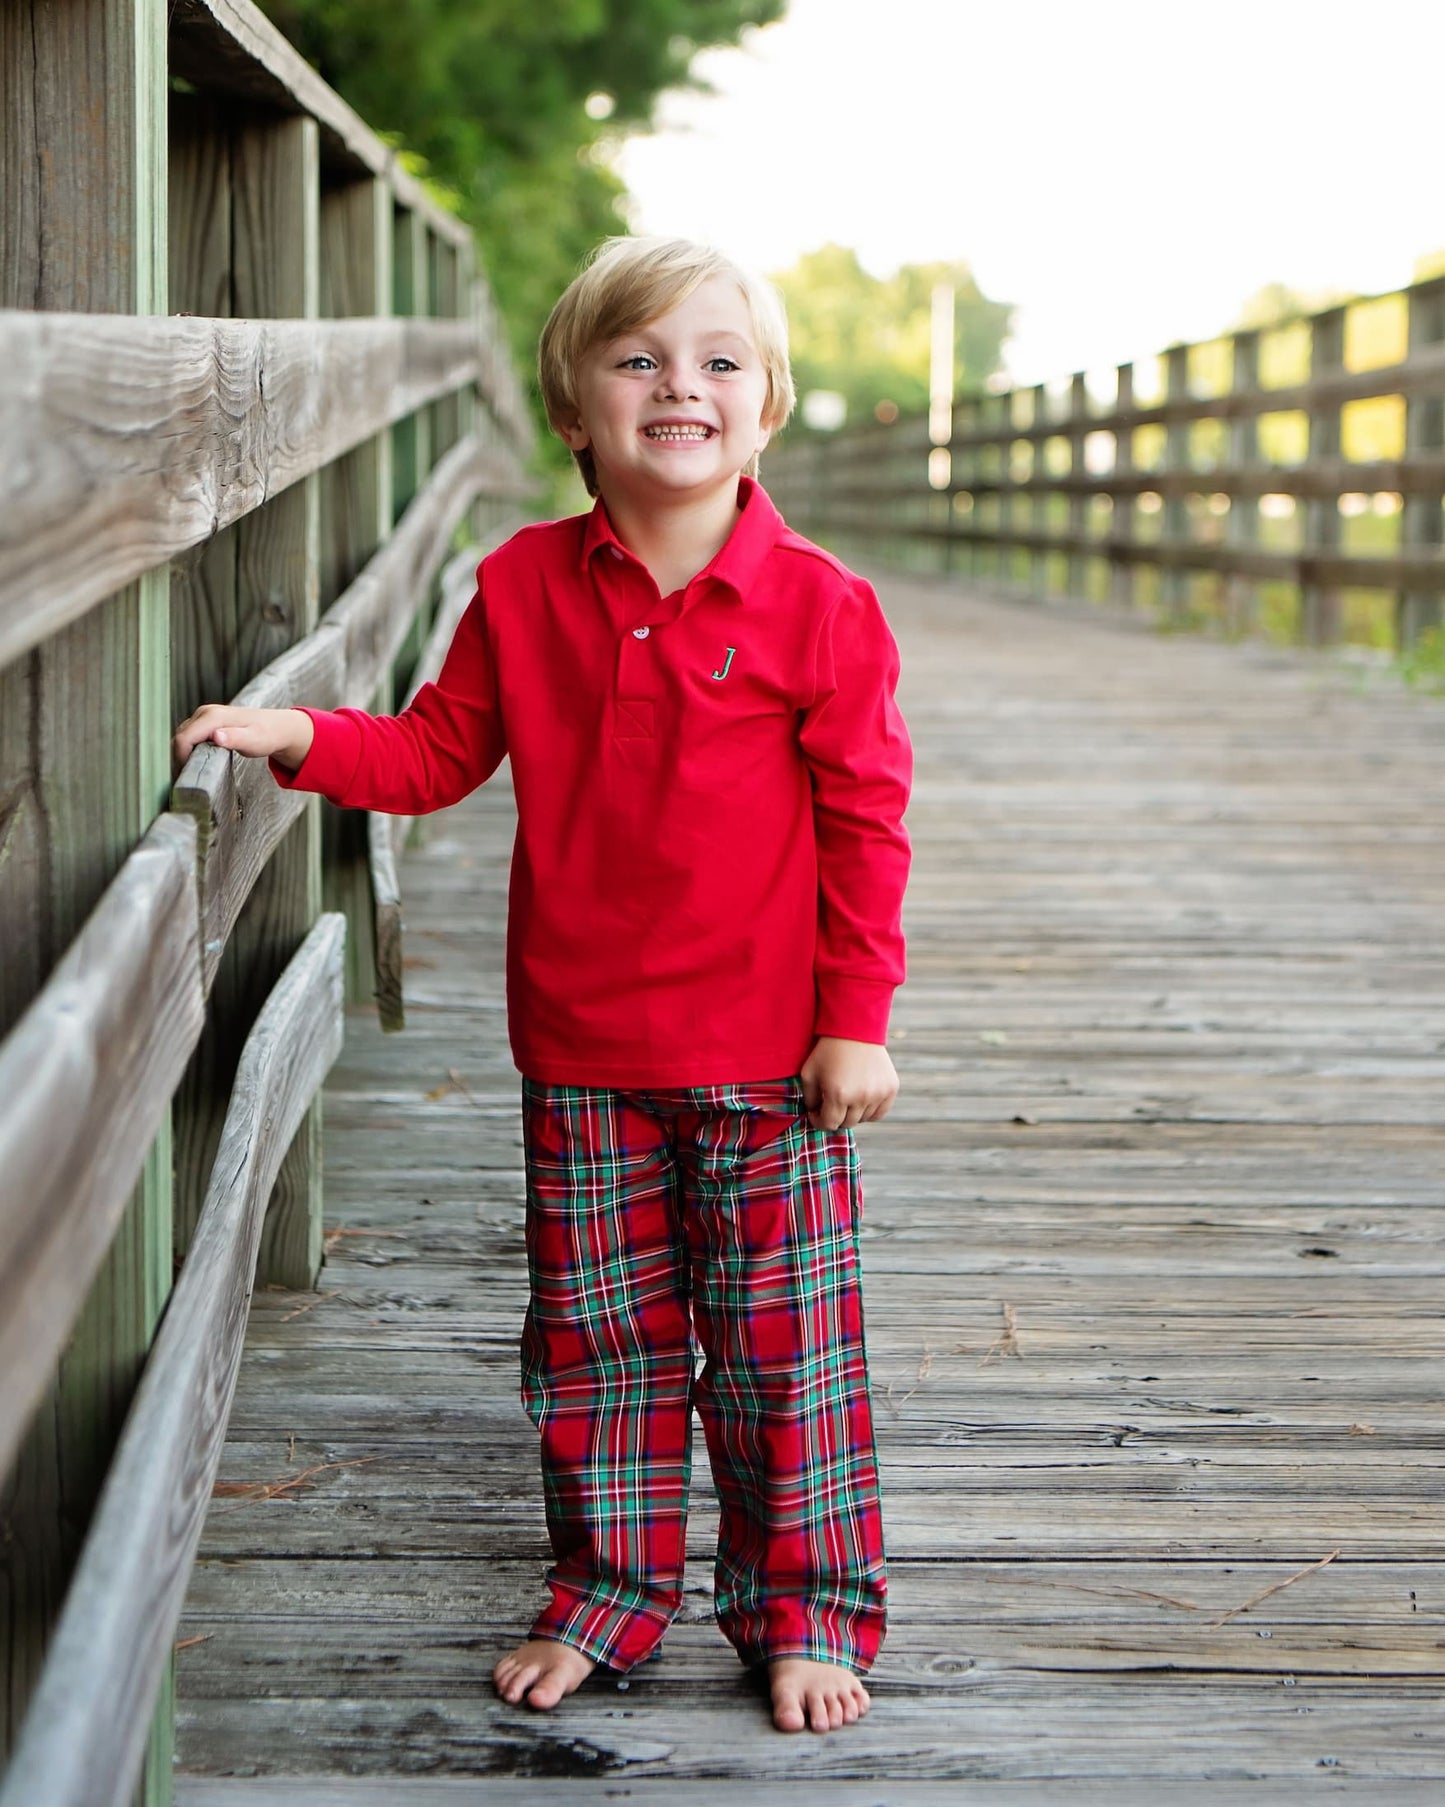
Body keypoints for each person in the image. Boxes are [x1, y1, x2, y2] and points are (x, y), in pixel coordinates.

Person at [172, 236, 912, 1736]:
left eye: (717, 362)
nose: (677, 387)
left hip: (768, 1052)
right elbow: (438, 753)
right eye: (636, 359)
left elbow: (865, 823)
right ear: (570, 410)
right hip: (580, 1048)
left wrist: (855, 1022)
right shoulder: (522, 587)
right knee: (596, 1340)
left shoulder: (821, 607)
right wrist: (300, 736)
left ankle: (806, 1607)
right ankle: (609, 1590)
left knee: (781, 1348)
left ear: (766, 407)